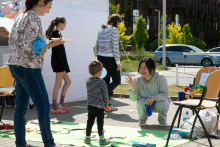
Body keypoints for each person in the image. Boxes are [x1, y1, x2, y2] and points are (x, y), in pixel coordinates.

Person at [6, 0, 65, 146]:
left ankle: (20, 143)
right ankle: (49, 143)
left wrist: (47, 43)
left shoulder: (20, 15)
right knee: (44, 105)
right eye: (48, 7)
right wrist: (51, 44)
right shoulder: (33, 17)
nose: (49, 11)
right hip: (28, 67)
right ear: (41, 2)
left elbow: (20, 42)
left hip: (16, 65)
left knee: (20, 106)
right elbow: (31, 47)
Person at [125, 57, 172, 126]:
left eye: (145, 67)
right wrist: (133, 88)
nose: (142, 70)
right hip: (146, 104)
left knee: (164, 102)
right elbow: (133, 99)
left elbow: (165, 94)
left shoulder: (161, 77)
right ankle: (142, 120)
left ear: (152, 69)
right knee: (140, 101)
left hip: (158, 104)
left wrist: (153, 97)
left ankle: (162, 121)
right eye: (141, 67)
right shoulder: (138, 79)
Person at [96, 14, 122, 111]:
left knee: (105, 82)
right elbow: (115, 47)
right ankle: (101, 97)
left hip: (100, 58)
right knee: (117, 80)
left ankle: (106, 105)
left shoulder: (101, 29)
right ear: (116, 21)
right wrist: (118, 63)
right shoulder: (113, 30)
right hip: (110, 58)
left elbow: (97, 44)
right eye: (119, 23)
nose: (119, 25)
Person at [46, 16, 71, 114]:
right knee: (58, 84)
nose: (65, 26)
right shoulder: (55, 33)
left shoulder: (58, 33)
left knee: (68, 82)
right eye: (65, 24)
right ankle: (55, 106)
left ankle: (60, 103)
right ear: (60, 24)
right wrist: (59, 41)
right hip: (58, 62)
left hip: (61, 61)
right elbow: (53, 45)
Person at [84, 60, 110, 145]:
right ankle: (102, 139)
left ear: (89, 72)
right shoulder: (102, 82)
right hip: (99, 106)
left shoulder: (88, 81)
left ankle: (87, 138)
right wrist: (107, 103)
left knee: (89, 122)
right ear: (100, 72)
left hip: (90, 105)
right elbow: (105, 94)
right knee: (100, 123)